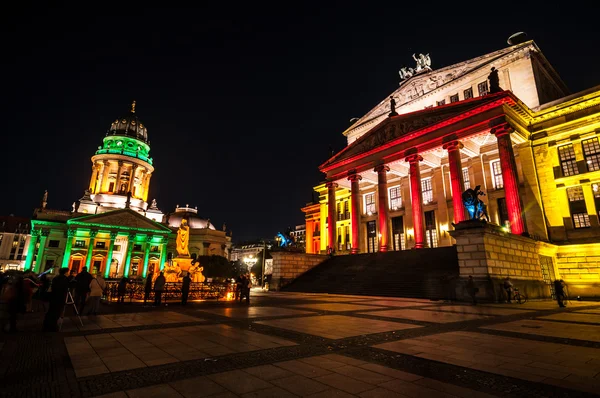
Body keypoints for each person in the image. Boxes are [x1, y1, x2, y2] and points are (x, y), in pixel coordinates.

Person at [43, 268, 70, 332]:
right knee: (57, 312)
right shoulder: (65, 279)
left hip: (53, 296)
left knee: (51, 311)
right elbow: (65, 288)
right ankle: (53, 326)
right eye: (68, 272)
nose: (68, 273)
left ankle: (46, 325)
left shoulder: (56, 278)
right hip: (60, 297)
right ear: (65, 272)